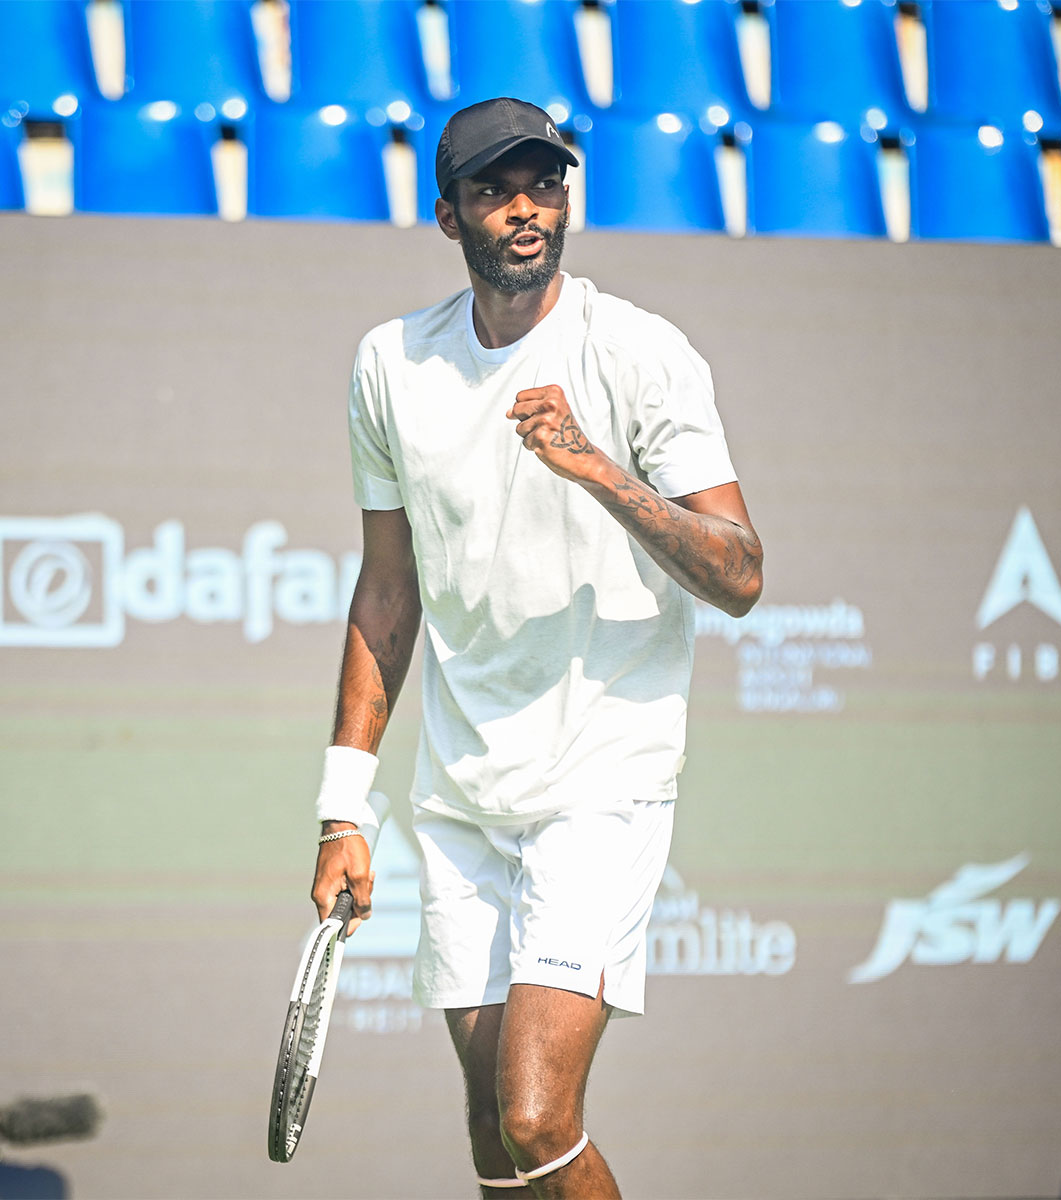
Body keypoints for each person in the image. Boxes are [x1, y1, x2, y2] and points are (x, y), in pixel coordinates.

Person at [308, 97, 763, 1199]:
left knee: (533, 1114)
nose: (527, 210)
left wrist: (603, 472)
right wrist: (342, 810)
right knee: (488, 1139)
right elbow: (384, 597)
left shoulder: (641, 353)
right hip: (460, 800)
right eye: (496, 190)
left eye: (545, 185)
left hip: (598, 785)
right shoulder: (389, 364)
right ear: (447, 215)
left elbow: (741, 573)